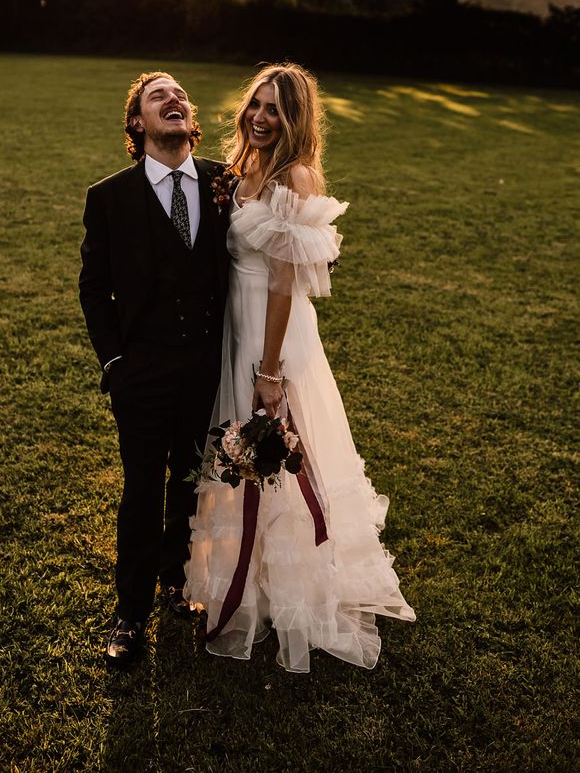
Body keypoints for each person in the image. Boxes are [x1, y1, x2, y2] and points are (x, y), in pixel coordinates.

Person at [185, 63, 415, 673]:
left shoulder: (296, 176)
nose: (260, 118)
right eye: (255, 105)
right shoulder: (240, 168)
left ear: (295, 121)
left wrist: (268, 370)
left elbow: (285, 284)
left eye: (274, 111)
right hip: (236, 323)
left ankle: (291, 595)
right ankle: (244, 579)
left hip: (272, 335)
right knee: (240, 452)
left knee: (279, 456)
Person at [79, 72, 229, 667]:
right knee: (142, 488)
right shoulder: (109, 197)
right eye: (157, 95)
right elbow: (94, 289)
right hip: (140, 371)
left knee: (191, 478)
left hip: (207, 368)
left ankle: (176, 581)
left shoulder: (226, 183)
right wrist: (114, 362)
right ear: (137, 123)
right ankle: (130, 611)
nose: (175, 98)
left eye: (181, 94)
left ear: (190, 121)